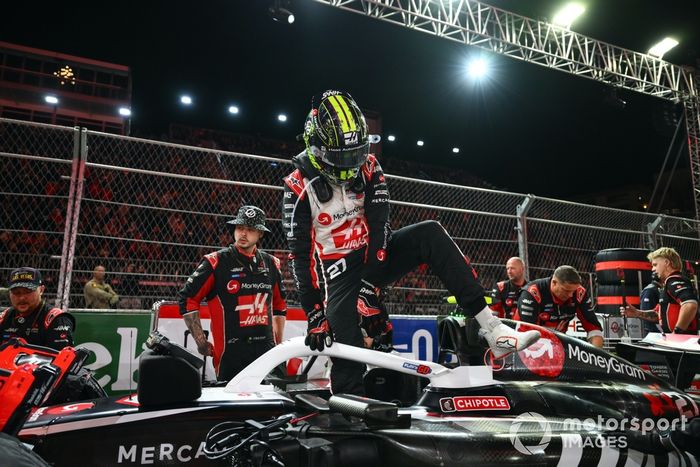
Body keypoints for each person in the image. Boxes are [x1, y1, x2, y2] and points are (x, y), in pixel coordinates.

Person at [282, 89, 539, 395]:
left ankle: (493, 330)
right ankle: (347, 420)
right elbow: (299, 258)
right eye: (342, 156)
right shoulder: (297, 186)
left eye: (356, 154)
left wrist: (370, 287)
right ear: (316, 147)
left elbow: (380, 228)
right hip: (338, 272)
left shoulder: (370, 167)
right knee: (346, 352)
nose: (351, 164)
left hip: (376, 254)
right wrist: (314, 314)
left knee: (430, 232)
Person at [178, 206, 287, 381]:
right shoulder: (215, 262)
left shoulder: (272, 263)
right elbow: (188, 299)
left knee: (273, 404)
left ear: (260, 234)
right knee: (232, 406)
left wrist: (279, 344)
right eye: (240, 228)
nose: (243, 234)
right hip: (231, 353)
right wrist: (200, 341)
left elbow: (280, 306)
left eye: (250, 230)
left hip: (267, 349)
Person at [517, 265, 604, 348]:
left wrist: (596, 356)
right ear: (554, 283)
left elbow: (594, 328)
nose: (570, 295)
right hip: (523, 343)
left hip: (556, 343)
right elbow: (529, 334)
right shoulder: (533, 293)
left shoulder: (578, 293)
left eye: (573, 291)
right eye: (566, 290)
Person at [622, 247, 698, 334]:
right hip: (678, 340)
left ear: (667, 262)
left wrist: (677, 333)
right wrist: (637, 313)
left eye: (655, 265)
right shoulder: (668, 283)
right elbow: (660, 314)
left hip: (682, 342)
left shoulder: (673, 280)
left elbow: (690, 305)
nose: (653, 269)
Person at [0, 267, 75, 350]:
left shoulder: (56, 318)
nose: (21, 298)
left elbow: (63, 359)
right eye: (16, 292)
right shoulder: (5, 316)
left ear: (41, 290)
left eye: (28, 291)